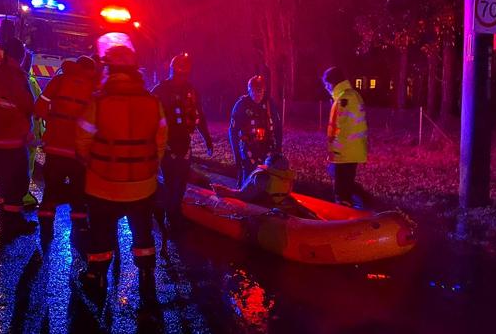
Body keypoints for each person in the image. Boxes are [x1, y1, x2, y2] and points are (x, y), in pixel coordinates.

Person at [75, 45, 167, 304]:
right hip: (142, 185)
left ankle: (97, 277)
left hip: (102, 185)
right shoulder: (153, 102)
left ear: (109, 69)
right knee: (143, 234)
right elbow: (160, 142)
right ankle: (147, 278)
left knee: (101, 234)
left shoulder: (98, 102)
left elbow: (82, 140)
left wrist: (93, 163)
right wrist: (145, 167)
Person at [35, 56, 97, 233]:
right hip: (79, 151)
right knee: (79, 193)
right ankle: (80, 229)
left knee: (51, 190)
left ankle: (46, 227)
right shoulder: (92, 88)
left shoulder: (59, 80)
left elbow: (39, 107)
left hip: (55, 147)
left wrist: (54, 122)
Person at [151, 53, 213, 226]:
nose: (182, 76)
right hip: (166, 144)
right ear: (172, 70)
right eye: (179, 72)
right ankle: (168, 213)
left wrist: (207, 139)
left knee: (181, 182)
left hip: (184, 143)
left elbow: (199, 115)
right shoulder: (160, 90)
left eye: (185, 73)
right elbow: (149, 115)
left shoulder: (191, 91)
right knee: (171, 182)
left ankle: (174, 212)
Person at [0, 38, 37, 233]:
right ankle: (13, 221)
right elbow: (27, 105)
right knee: (18, 180)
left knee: (2, 178)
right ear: (20, 56)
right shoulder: (18, 77)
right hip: (14, 138)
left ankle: (3, 213)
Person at [211, 153, 318, 219]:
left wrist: (227, 192)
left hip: (268, 209)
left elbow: (245, 196)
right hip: (280, 204)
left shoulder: (262, 176)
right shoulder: (287, 176)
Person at [322, 66, 367, 208]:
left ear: (333, 83)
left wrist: (334, 152)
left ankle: (346, 217)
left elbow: (343, 129)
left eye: (327, 84)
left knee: (342, 192)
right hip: (352, 152)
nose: (326, 88)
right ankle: (356, 209)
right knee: (346, 186)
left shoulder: (344, 99)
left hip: (344, 154)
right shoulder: (352, 96)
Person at [229, 75, 282, 187]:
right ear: (249, 89)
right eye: (254, 91)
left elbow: (278, 128)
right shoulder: (242, 105)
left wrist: (278, 149)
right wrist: (237, 155)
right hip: (249, 151)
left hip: (267, 149)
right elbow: (233, 132)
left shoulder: (269, 104)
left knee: (266, 181)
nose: (257, 95)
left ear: (264, 90)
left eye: (260, 91)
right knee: (247, 181)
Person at [21, 51, 44, 209]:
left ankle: (22, 192)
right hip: (27, 131)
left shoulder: (30, 80)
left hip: (31, 130)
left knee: (28, 164)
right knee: (25, 164)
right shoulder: (26, 81)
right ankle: (22, 195)